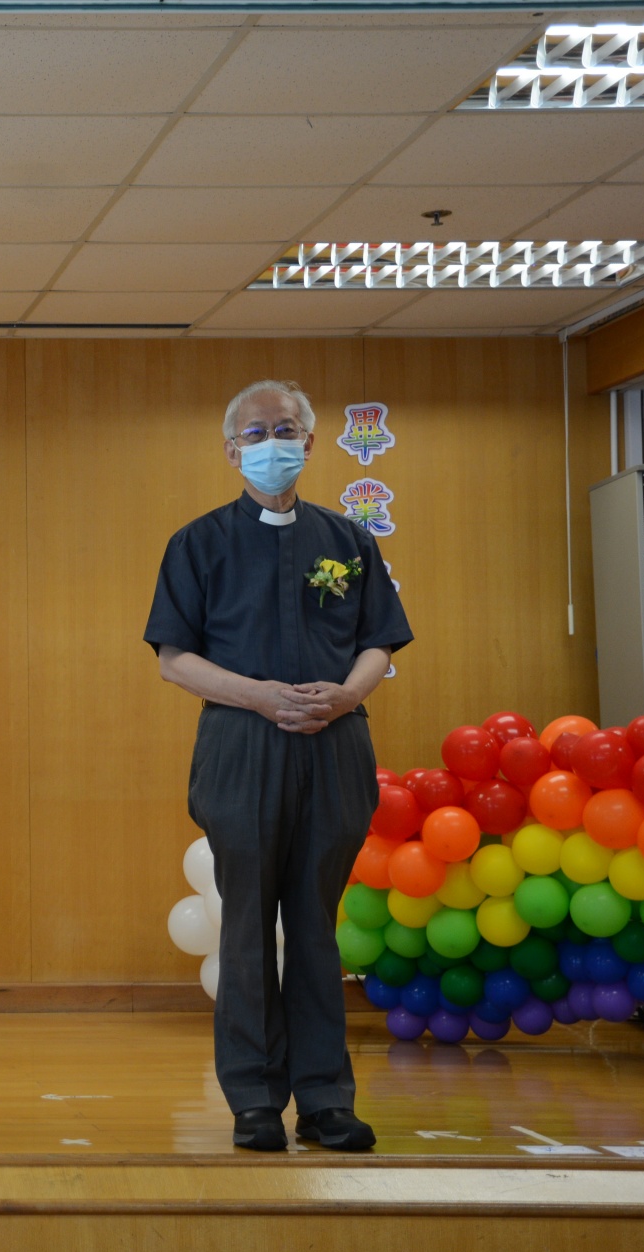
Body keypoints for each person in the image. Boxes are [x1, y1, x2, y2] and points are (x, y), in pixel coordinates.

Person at [145, 379, 411, 1153]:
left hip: (335, 744)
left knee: (317, 929)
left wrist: (346, 694)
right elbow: (174, 658)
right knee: (247, 928)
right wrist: (259, 696)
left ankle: (326, 1100)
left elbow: (379, 641)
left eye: (285, 430)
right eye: (256, 434)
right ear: (233, 452)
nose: (273, 444)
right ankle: (255, 1099)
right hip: (241, 746)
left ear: (311, 442)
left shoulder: (348, 541)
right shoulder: (198, 543)